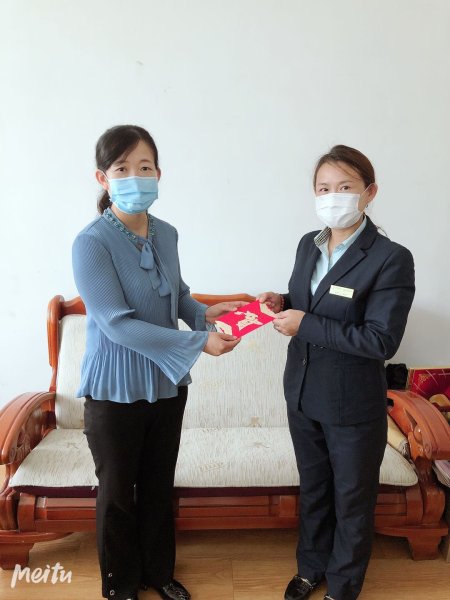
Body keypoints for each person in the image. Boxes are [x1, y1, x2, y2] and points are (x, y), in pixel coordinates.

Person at [72, 124, 243, 600]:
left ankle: (159, 573)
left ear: (159, 174)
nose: (135, 176)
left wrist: (208, 314)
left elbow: (178, 296)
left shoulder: (166, 233)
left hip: (167, 383)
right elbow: (116, 324)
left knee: (158, 486)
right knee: (117, 494)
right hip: (114, 390)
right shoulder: (91, 243)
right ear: (103, 178)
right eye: (122, 168)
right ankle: (120, 585)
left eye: (144, 167)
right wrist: (197, 343)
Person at [259, 145, 415, 600]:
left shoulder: (390, 257)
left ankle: (343, 587)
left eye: (344, 187)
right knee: (314, 490)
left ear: (369, 192)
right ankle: (310, 568)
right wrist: (283, 302)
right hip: (302, 392)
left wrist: (305, 323)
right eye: (324, 188)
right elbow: (312, 303)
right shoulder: (308, 243)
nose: (333, 197)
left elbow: (380, 340)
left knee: (351, 500)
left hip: (352, 403)